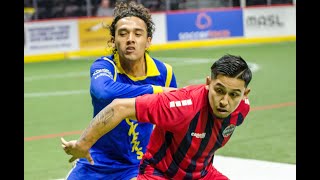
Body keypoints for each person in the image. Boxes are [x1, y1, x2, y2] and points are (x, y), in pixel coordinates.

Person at [61, 54, 252, 179]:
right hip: (160, 174)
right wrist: (83, 144)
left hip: (201, 174)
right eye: (219, 90)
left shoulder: (242, 109)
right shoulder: (182, 105)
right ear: (208, 83)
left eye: (234, 94)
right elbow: (119, 107)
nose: (224, 101)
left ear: (245, 94)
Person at [64, 1, 177, 180]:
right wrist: (155, 90)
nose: (130, 39)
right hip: (96, 161)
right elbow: (103, 91)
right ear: (113, 41)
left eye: (137, 34)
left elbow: (173, 119)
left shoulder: (165, 73)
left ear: (148, 41)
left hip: (138, 165)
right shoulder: (105, 66)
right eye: (123, 34)